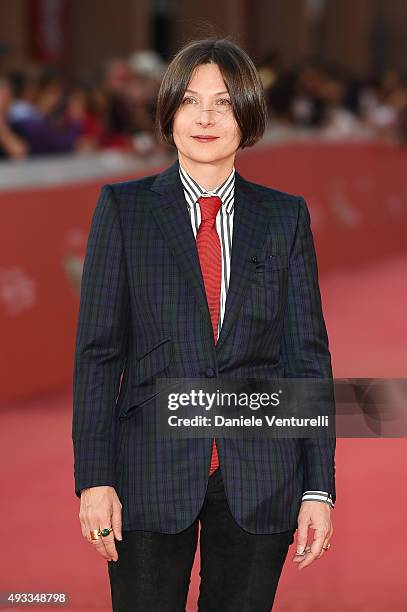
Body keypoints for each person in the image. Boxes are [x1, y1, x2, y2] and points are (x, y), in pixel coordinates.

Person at [72, 37, 336, 611]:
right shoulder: (125, 210)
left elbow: (306, 357)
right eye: (190, 101)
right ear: (169, 113)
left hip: (259, 474)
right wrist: (94, 478)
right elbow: (98, 354)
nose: (206, 117)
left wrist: (319, 487)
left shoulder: (283, 217)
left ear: (249, 114)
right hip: (147, 474)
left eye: (223, 102)